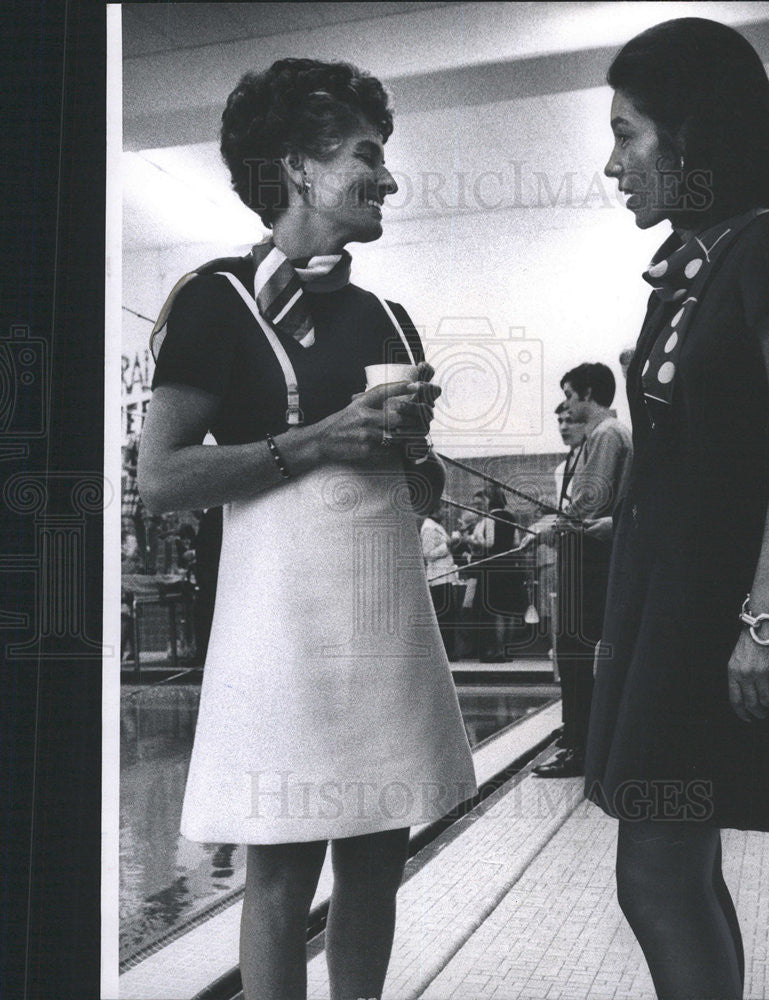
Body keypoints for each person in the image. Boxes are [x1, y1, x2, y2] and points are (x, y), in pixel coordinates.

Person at [137, 59, 476, 1000]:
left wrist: (416, 456)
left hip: (382, 625)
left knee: (376, 854)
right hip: (277, 629)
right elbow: (160, 479)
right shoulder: (217, 300)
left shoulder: (389, 318)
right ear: (299, 167)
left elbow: (423, 494)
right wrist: (321, 438)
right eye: (369, 155)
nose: (388, 178)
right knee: (282, 871)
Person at [584, 19, 769, 999]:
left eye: (628, 134)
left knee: (653, 871)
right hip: (660, 614)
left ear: (693, 137)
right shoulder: (690, 267)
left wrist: (766, 619)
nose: (614, 165)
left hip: (708, 624)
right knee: (680, 867)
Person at [535, 363, 632, 778]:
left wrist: (549, 528)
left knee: (575, 653)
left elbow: (588, 504)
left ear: (588, 393)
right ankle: (579, 737)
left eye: (571, 396)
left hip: (589, 558)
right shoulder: (605, 435)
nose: (569, 407)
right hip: (585, 554)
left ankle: (579, 747)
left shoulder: (607, 435)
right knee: (577, 652)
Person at [468, 484, 520, 661]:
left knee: (497, 610)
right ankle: (508, 650)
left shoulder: (491, 518)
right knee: (510, 611)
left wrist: (474, 540)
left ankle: (497, 650)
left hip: (495, 566)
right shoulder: (512, 517)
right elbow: (516, 543)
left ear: (490, 500)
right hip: (510, 565)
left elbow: (489, 543)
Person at [420, 504, 460, 661]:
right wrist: (448, 545)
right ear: (435, 509)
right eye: (444, 508)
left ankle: (449, 650)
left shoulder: (436, 526)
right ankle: (445, 652)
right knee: (444, 615)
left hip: (445, 575)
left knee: (448, 614)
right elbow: (428, 554)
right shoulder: (429, 528)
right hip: (438, 577)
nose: (446, 511)